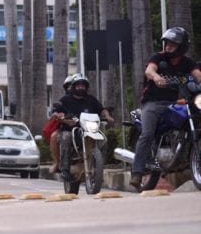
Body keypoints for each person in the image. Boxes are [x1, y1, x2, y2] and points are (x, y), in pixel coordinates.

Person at [130, 27, 201, 190]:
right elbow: (150, 70)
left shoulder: (187, 63)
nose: (168, 46)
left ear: (181, 46)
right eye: (167, 43)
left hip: (174, 103)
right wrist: (156, 77)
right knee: (147, 133)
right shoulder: (158, 57)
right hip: (152, 103)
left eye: (172, 44)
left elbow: (197, 75)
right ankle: (137, 172)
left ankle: (179, 152)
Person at [53, 73, 114, 181]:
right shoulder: (66, 99)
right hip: (71, 129)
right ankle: (65, 169)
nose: (81, 87)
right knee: (66, 138)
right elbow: (57, 111)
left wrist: (108, 116)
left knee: (104, 141)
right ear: (74, 86)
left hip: (89, 129)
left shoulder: (91, 99)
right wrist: (60, 116)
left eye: (83, 85)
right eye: (78, 85)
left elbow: (102, 109)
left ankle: (99, 169)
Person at [48, 74, 77, 174]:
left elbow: (99, 109)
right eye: (69, 86)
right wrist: (56, 114)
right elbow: (55, 111)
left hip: (86, 129)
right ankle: (58, 163)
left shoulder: (89, 99)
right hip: (67, 128)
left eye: (74, 85)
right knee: (54, 136)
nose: (71, 88)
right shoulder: (64, 100)